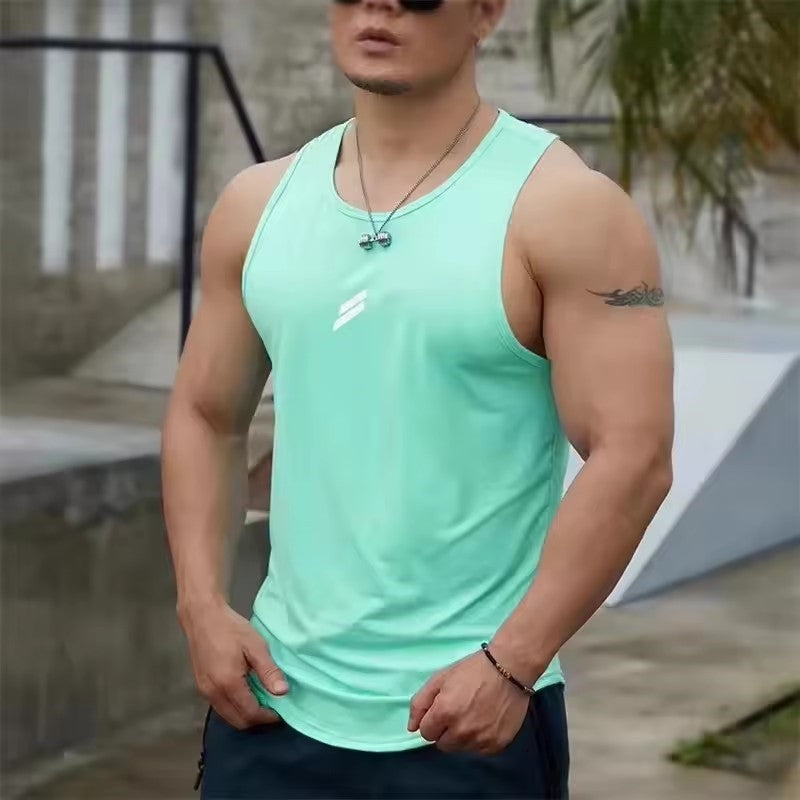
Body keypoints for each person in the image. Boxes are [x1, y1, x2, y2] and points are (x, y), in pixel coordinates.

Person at [161, 0, 674, 797]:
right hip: (271, 708)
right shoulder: (257, 204)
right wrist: (201, 606)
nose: (382, 6)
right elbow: (206, 415)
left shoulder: (567, 208)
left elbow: (634, 456)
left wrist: (513, 662)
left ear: (485, 12)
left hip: (468, 718)